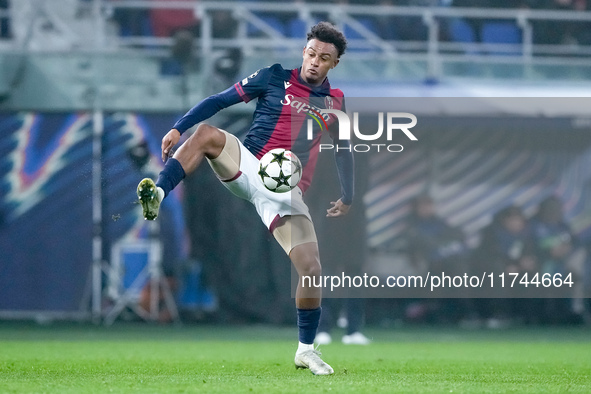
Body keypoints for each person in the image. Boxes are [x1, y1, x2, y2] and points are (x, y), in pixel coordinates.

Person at [136, 22, 353, 375]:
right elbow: (218, 100)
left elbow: (344, 151)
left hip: (285, 191)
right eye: (311, 54)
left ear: (334, 63)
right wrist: (178, 126)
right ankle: (159, 193)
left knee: (311, 269)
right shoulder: (272, 77)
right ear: (303, 52)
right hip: (248, 165)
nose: (315, 61)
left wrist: (347, 195)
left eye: (324, 58)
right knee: (205, 134)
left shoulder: (335, 101)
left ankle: (306, 350)